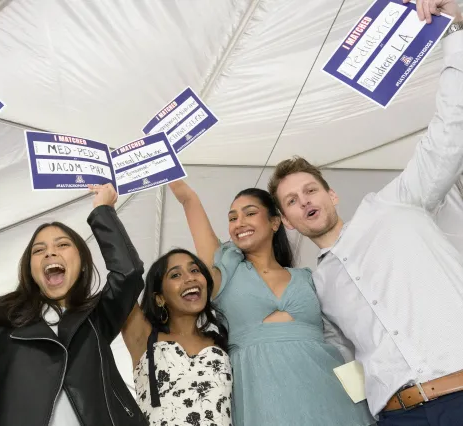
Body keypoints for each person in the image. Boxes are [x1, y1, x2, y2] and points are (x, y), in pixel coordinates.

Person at [268, 1, 463, 424]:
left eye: (310, 189)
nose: (304, 201)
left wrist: (456, 33)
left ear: (331, 194)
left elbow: (449, 133)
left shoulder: (396, 204)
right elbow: (347, 362)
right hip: (398, 416)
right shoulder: (318, 285)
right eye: (292, 200)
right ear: (287, 220)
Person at [169, 181, 374, 425]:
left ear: (275, 222)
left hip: (332, 396)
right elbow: (188, 199)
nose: (239, 223)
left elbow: (348, 333)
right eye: (232, 218)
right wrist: (164, 164)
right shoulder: (224, 272)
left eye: (250, 213)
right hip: (262, 400)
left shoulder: (308, 278)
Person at [0, 184, 149, 426]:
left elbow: (128, 273)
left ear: (82, 263)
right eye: (39, 250)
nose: (50, 253)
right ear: (30, 269)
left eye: (62, 245)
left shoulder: (97, 316)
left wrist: (103, 211)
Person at [122, 248, 233, 425]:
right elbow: (122, 275)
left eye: (195, 270)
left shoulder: (222, 340)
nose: (190, 278)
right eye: (175, 275)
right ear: (159, 298)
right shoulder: (144, 337)